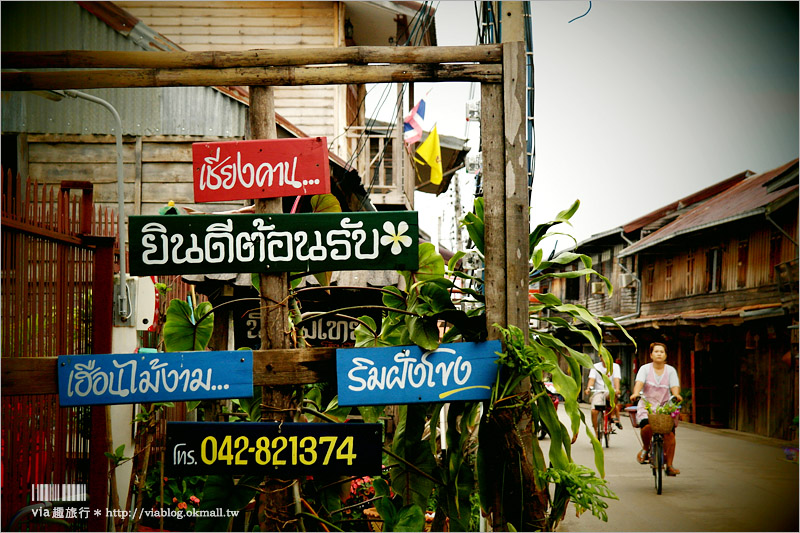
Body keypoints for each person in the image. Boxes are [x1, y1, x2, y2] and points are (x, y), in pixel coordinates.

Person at [629, 342, 683, 476]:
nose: (659, 354)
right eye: (656, 351)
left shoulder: (670, 370)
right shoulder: (645, 369)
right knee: (647, 427)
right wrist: (636, 393)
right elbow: (639, 383)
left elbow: (674, 386)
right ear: (651, 355)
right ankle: (646, 448)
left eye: (662, 352)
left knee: (670, 435)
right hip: (647, 407)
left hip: (664, 408)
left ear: (665, 355)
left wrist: (676, 394)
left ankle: (669, 465)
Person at [584, 358, 623, 434]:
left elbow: (616, 379)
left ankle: (612, 415)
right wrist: (588, 389)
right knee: (594, 411)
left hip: (610, 391)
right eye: (602, 356)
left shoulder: (615, 367)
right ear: (600, 357)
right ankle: (596, 434)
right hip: (598, 392)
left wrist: (617, 389)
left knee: (614, 393)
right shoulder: (595, 366)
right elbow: (592, 380)